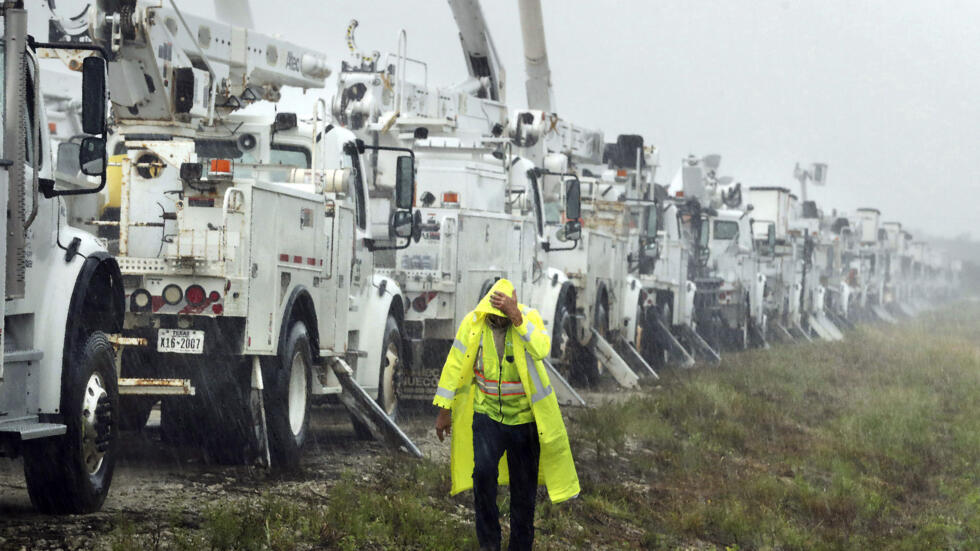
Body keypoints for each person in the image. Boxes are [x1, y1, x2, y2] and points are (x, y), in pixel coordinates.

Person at [433, 278, 579, 551]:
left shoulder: (527, 317)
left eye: (503, 316)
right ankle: (490, 544)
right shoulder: (473, 324)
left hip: (524, 422)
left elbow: (541, 349)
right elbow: (454, 366)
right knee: (483, 476)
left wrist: (517, 317)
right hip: (487, 417)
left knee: (523, 495)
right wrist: (444, 410)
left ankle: (520, 547)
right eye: (495, 316)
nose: (498, 321)